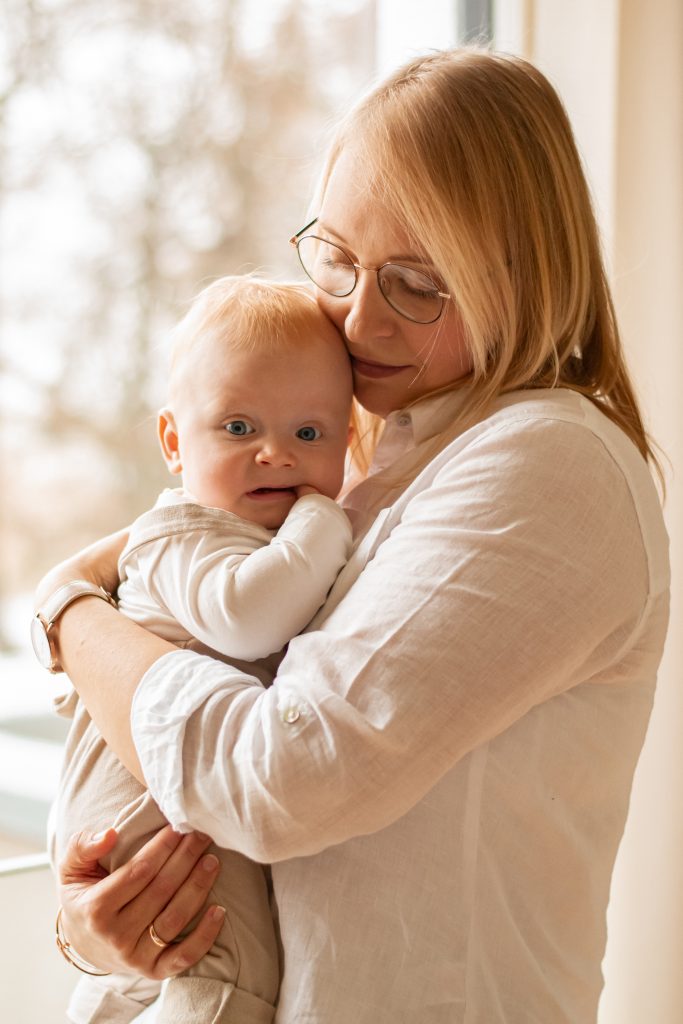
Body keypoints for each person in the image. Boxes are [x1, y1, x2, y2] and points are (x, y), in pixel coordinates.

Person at [34, 48, 670, 1024]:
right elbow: (169, 590)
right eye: (335, 257)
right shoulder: (364, 457)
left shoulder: (549, 462)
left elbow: (274, 780)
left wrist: (69, 614)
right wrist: (102, 926)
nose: (358, 317)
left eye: (416, 282)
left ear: (525, 274)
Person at [49, 276, 354, 1024]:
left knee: (146, 980)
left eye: (309, 434)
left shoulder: (248, 533)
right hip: (140, 803)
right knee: (227, 974)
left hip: (159, 799)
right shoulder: (182, 534)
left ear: (348, 438)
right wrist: (325, 520)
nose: (275, 454)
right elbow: (249, 619)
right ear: (174, 443)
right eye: (239, 427)